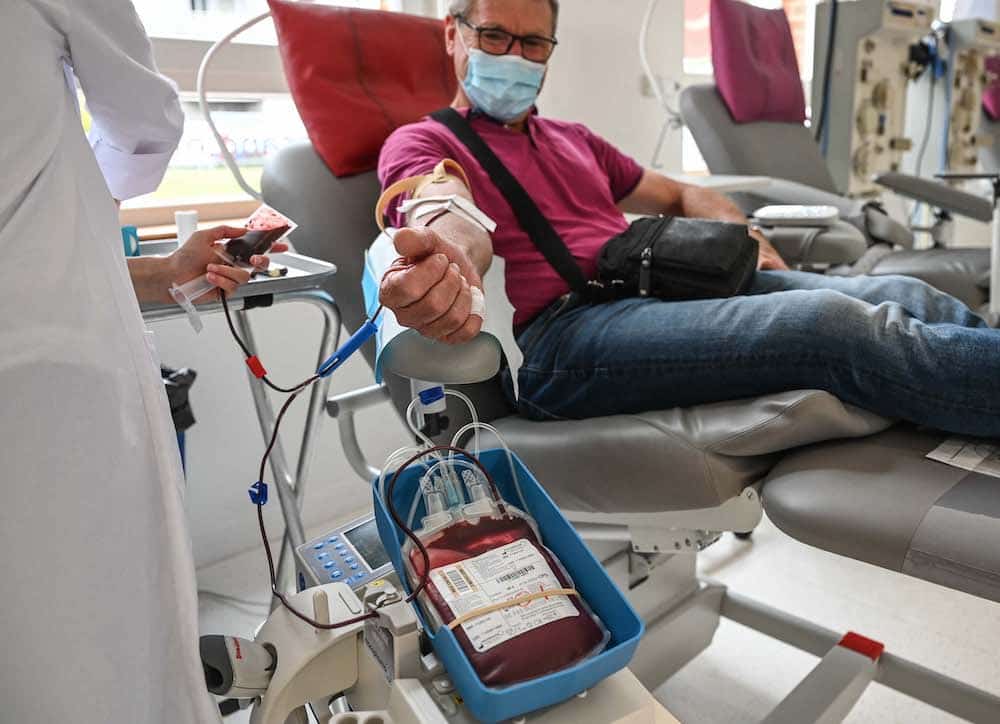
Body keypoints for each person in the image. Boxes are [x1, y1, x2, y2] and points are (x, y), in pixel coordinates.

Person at [377, 0, 1000, 437]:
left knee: (903, 291)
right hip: (571, 343)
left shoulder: (572, 139)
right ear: (453, 35)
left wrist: (751, 242)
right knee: (833, 324)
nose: (514, 55)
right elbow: (443, 204)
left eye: (533, 42)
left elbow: (678, 196)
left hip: (659, 291)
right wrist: (451, 258)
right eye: (493, 36)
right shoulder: (426, 141)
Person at [0, 2, 280, 721]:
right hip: (52, 391)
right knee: (106, 650)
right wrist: (83, 203)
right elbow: (145, 126)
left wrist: (156, 271)